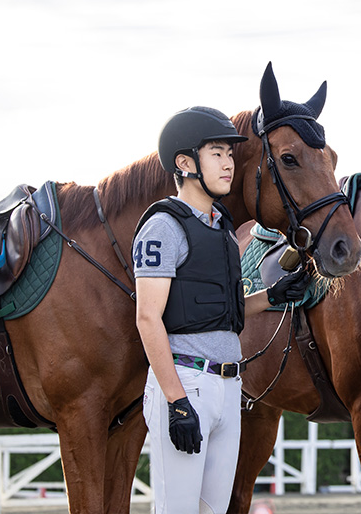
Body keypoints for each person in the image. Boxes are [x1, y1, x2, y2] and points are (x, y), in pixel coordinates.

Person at [134, 106, 310, 514]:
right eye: (217, 153)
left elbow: (222, 312)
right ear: (185, 163)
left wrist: (273, 296)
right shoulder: (163, 227)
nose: (229, 163)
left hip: (230, 387)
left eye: (230, 154)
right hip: (185, 383)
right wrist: (177, 401)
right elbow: (147, 318)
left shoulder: (223, 227)